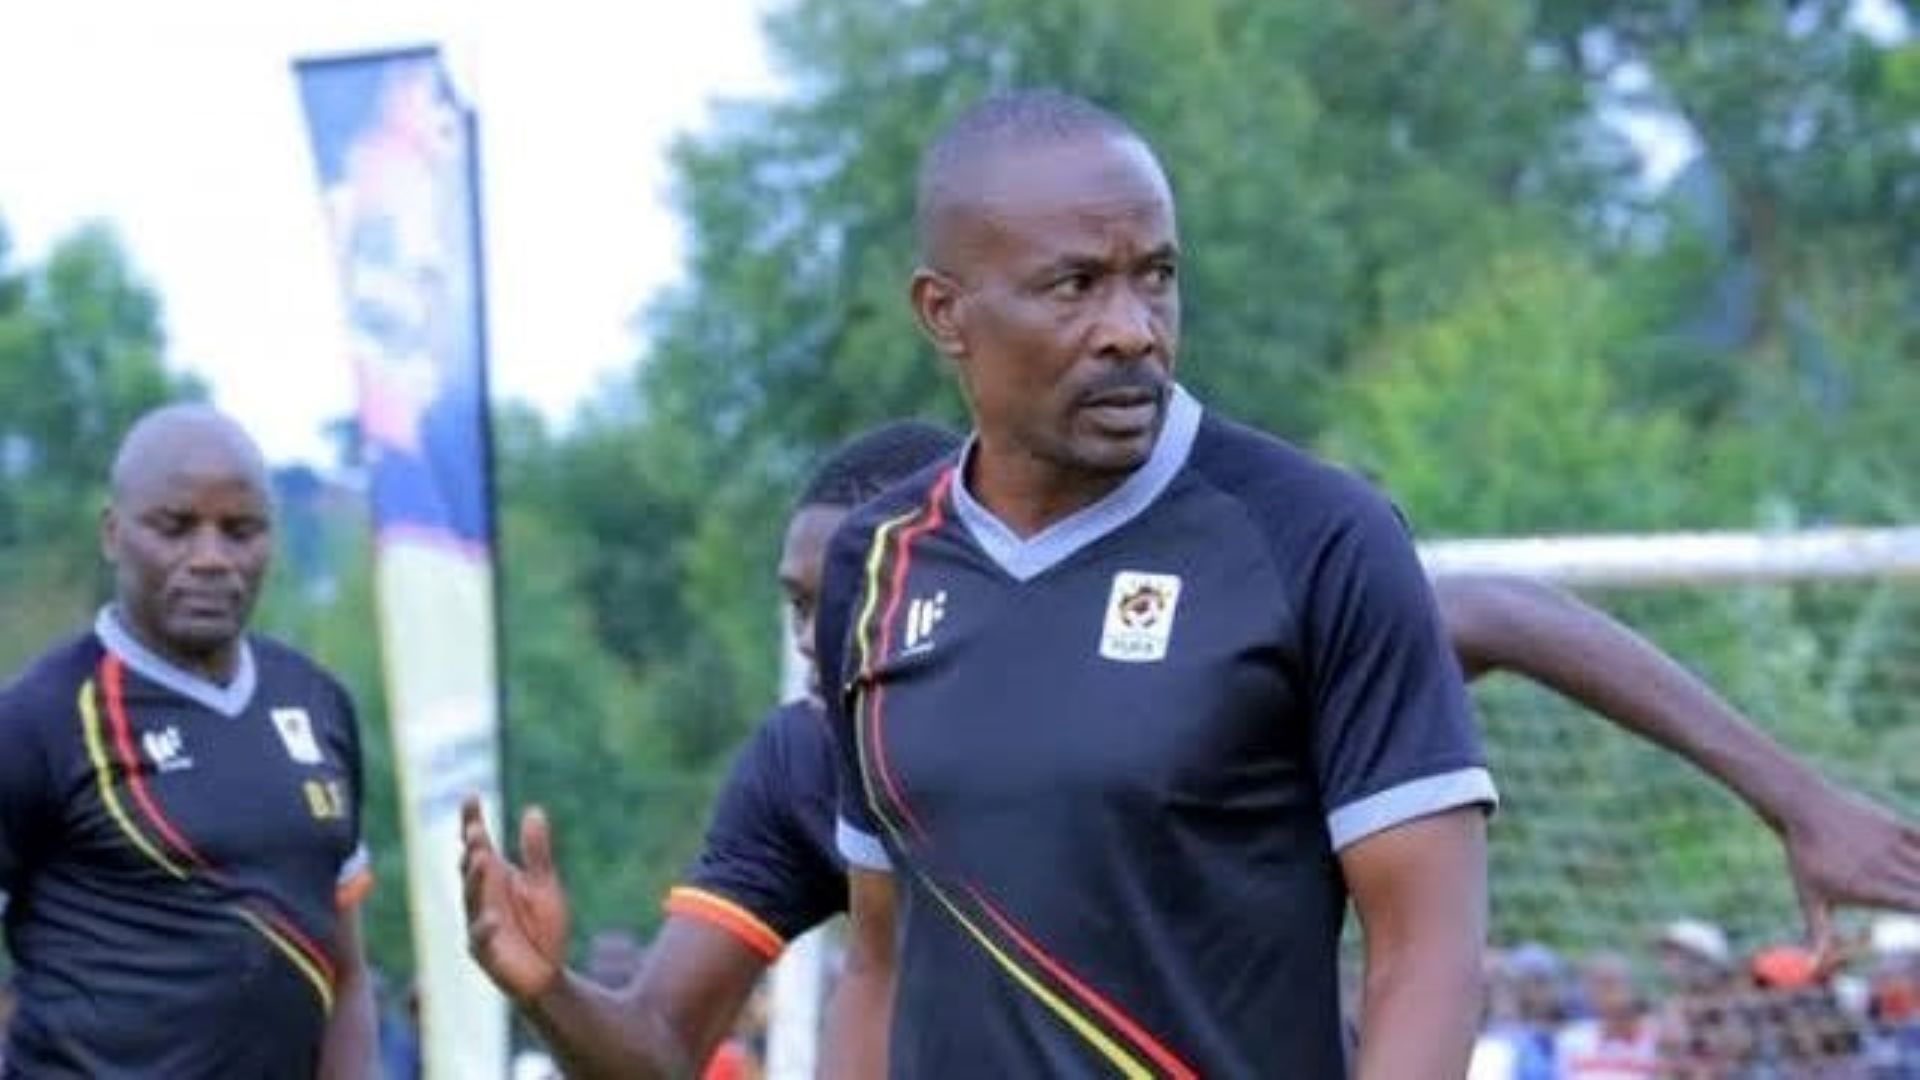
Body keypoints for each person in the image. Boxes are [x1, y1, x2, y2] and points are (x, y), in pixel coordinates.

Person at [818, 89, 1495, 1078]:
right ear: (944, 312)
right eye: (1076, 285)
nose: (1132, 329)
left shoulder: (1317, 538)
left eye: (1157, 277)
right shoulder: (873, 566)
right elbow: (880, 956)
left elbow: (1426, 954)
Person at [459, 422, 963, 1078]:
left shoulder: (1074, 732)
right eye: (800, 604)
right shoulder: (798, 764)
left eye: (847, 598)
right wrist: (546, 990)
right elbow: (661, 1046)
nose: (810, 637)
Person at [0, 403, 377, 1076]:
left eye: (240, 531)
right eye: (174, 528)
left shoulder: (317, 704)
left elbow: (345, 974)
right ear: (114, 533)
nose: (211, 559)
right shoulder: (37, 720)